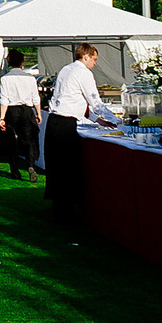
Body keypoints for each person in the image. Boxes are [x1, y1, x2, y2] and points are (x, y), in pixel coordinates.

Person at [44, 43, 114, 224]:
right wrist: (116, 120)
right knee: (67, 167)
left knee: (57, 167)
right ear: (86, 56)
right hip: (65, 123)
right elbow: (94, 101)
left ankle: (58, 211)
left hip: (55, 121)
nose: (95, 64)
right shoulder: (83, 73)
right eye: (94, 59)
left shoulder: (65, 70)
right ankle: (66, 213)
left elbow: (75, 99)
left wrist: (98, 121)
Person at [0, 51, 42, 183]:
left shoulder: (5, 79)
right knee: (29, 140)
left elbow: (4, 99)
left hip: (12, 111)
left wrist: (1, 117)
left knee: (12, 142)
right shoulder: (30, 78)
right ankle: (30, 165)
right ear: (22, 62)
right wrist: (38, 113)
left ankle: (15, 171)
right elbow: (36, 98)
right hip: (27, 110)